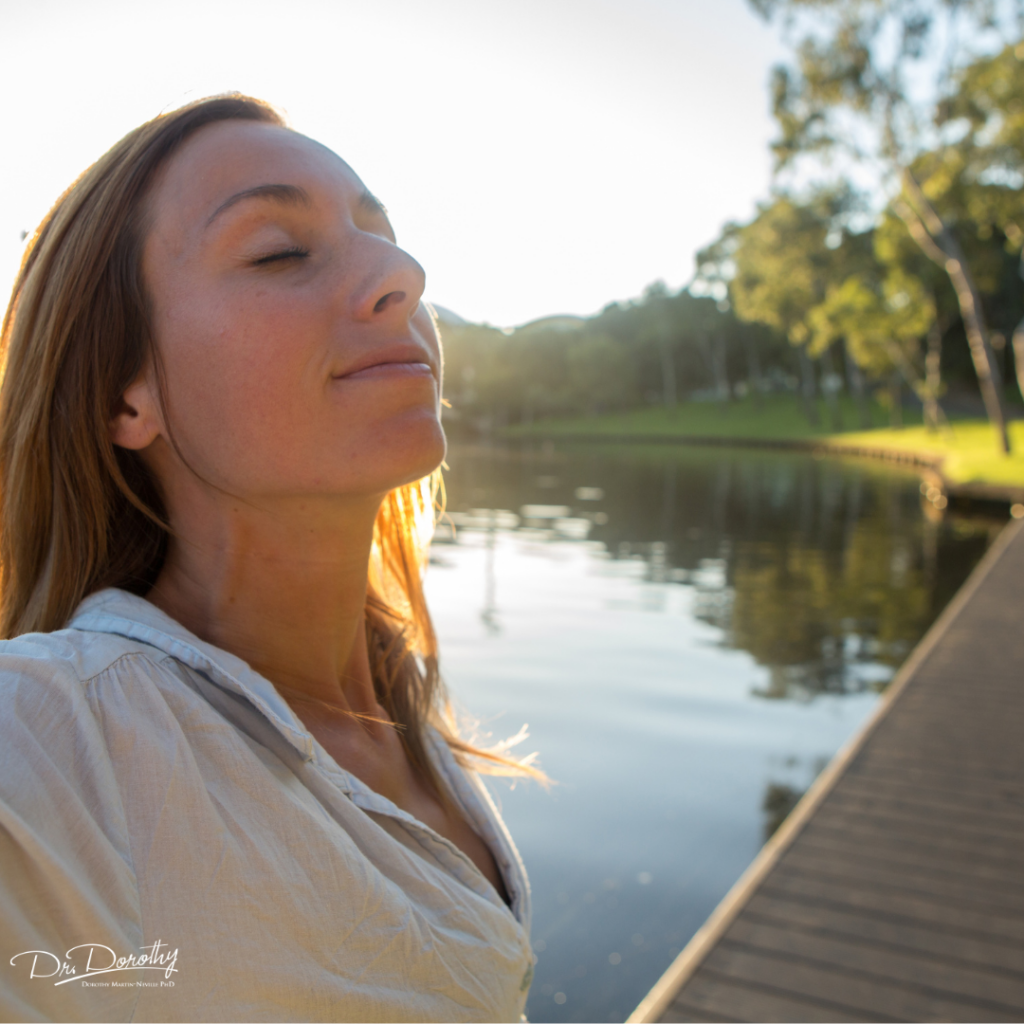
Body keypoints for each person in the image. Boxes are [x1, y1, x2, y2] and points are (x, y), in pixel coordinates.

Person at [0, 95, 535, 1023]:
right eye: (278, 251)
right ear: (125, 399)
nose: (401, 272)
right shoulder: (58, 733)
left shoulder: (392, 692)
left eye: (386, 235)